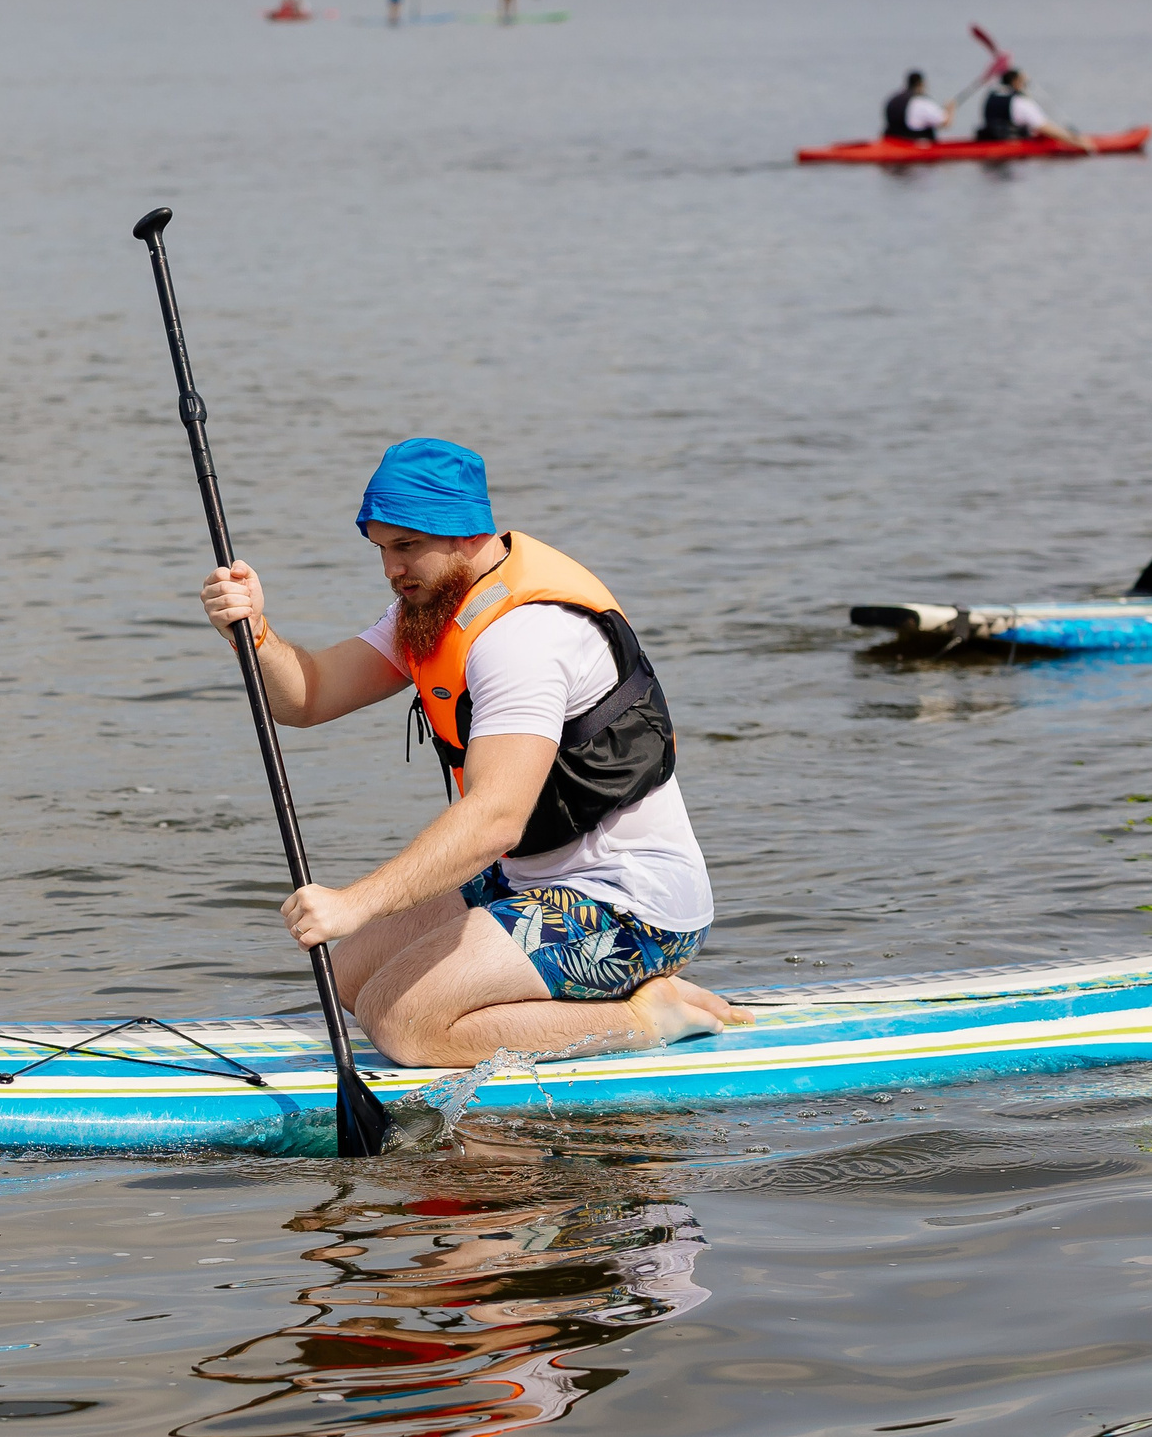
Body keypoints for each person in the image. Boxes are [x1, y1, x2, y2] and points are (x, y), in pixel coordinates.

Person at [197, 438, 745, 1069]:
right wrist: (253, 634)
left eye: (406, 548)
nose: (390, 570)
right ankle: (557, 1005)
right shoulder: (435, 607)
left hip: (628, 904)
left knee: (405, 1026)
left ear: (461, 534)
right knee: (351, 976)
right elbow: (308, 696)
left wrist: (355, 901)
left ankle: (646, 1015)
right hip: (530, 878)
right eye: (381, 549)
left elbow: (495, 818)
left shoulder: (524, 637)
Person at [976, 69, 1090, 149]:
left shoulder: (992, 94)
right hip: (1011, 144)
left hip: (989, 139)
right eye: (1025, 83)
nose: (1026, 86)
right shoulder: (1020, 102)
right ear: (1016, 82)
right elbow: (1044, 127)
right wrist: (1076, 140)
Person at [880, 71, 949, 142]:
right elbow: (945, 123)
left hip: (891, 142)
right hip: (915, 144)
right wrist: (949, 109)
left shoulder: (894, 99)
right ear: (921, 84)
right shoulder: (921, 101)